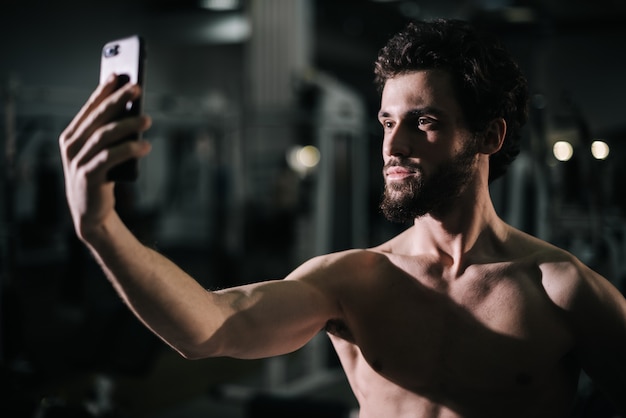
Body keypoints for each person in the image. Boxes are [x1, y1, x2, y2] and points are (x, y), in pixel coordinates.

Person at [59, 19, 626, 417]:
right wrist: (101, 228)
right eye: (385, 122)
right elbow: (214, 328)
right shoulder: (354, 281)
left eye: (423, 121)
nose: (392, 146)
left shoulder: (562, 291)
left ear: (487, 136)